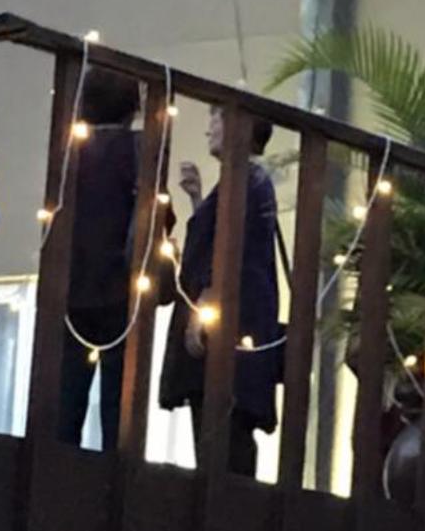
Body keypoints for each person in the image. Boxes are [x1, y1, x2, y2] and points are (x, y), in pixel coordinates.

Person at [158, 106, 282, 476]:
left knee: (223, 445)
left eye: (216, 119)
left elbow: (236, 252)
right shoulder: (247, 182)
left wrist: (205, 305)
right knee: (221, 442)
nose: (209, 128)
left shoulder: (247, 182)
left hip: (226, 342)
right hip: (234, 339)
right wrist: (198, 199)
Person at [57, 70, 148, 450]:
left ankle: (59, 472)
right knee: (119, 409)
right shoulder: (139, 150)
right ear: (132, 106)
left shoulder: (70, 152)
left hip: (71, 288)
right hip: (122, 289)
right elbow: (153, 217)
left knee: (64, 405)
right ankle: (116, 476)